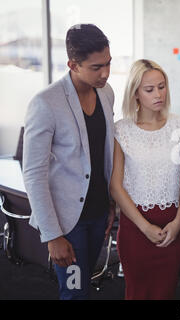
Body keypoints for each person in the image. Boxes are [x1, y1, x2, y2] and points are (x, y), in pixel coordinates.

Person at [23, 24, 116, 300]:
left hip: (99, 214)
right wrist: (53, 236)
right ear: (73, 65)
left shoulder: (106, 92)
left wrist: (110, 204)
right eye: (96, 67)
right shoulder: (45, 103)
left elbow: (104, 153)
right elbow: (34, 173)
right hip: (67, 224)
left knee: (85, 284)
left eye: (108, 63)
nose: (106, 73)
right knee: (74, 292)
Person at [110, 59, 180, 299]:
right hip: (135, 229)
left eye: (162, 86)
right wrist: (144, 227)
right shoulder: (121, 130)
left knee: (164, 293)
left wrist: (177, 223)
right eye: (149, 89)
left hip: (172, 227)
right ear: (135, 93)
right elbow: (115, 186)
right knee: (136, 293)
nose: (159, 94)